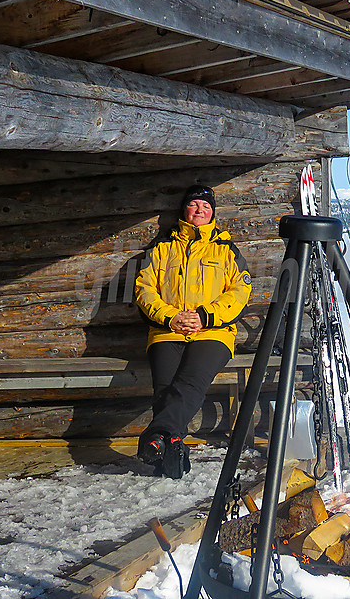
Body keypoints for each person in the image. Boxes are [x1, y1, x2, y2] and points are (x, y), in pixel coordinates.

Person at [134, 184, 252, 478]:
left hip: (214, 332)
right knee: (164, 391)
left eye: (206, 207)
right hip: (167, 330)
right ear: (184, 209)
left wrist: (204, 316)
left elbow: (240, 291)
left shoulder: (226, 249)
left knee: (189, 383)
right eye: (195, 204)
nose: (200, 210)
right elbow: (143, 289)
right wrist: (171, 317)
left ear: (213, 213)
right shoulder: (162, 248)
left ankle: (156, 436)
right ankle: (172, 449)